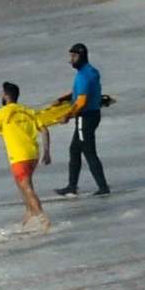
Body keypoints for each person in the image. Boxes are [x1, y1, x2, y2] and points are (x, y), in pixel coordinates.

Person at [0, 83, 53, 230]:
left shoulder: (1, 113)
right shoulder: (28, 111)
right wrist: (47, 152)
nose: (1, 96)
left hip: (19, 156)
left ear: (6, 95)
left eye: (2, 93)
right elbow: (45, 130)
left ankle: (42, 218)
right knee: (23, 184)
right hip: (33, 154)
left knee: (26, 187)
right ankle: (29, 214)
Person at [54, 42, 113, 196]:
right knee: (74, 150)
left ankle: (103, 187)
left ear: (82, 56)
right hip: (94, 115)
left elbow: (81, 101)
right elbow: (81, 93)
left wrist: (67, 116)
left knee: (89, 152)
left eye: (74, 56)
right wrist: (62, 100)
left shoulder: (82, 76)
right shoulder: (92, 71)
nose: (71, 60)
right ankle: (72, 186)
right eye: (71, 56)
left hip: (84, 117)